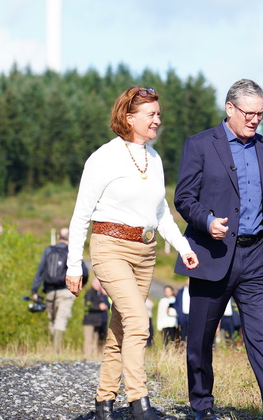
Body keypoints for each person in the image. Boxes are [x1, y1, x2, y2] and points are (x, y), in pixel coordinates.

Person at [65, 86, 200, 420]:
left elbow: (161, 214)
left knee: (121, 329)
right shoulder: (103, 158)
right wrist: (73, 266)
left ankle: (103, 404)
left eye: (158, 114)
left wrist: (184, 248)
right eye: (151, 114)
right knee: (139, 321)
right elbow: (81, 214)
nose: (158, 120)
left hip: (146, 252)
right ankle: (139, 403)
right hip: (109, 247)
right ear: (129, 117)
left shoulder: (154, 159)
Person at [174, 79, 263, 420]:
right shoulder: (199, 145)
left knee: (261, 331)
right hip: (212, 255)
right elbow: (184, 198)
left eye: (261, 113)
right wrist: (207, 220)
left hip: (257, 256)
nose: (255, 119)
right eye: (250, 112)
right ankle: (202, 405)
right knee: (201, 337)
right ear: (229, 108)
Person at [30, 227, 79, 351]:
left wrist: (34, 291)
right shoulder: (72, 252)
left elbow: (40, 271)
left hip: (50, 291)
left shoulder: (49, 251)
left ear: (58, 237)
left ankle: (54, 349)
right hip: (66, 291)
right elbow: (83, 271)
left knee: (52, 320)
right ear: (70, 238)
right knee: (61, 320)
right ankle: (56, 350)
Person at [83, 277, 110, 358]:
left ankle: (94, 356)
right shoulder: (89, 293)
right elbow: (87, 306)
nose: (99, 285)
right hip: (89, 321)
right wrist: (99, 307)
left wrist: (104, 296)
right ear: (93, 283)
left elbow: (108, 305)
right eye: (98, 283)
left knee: (95, 340)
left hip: (98, 321)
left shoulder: (101, 294)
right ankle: (87, 356)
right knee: (89, 339)